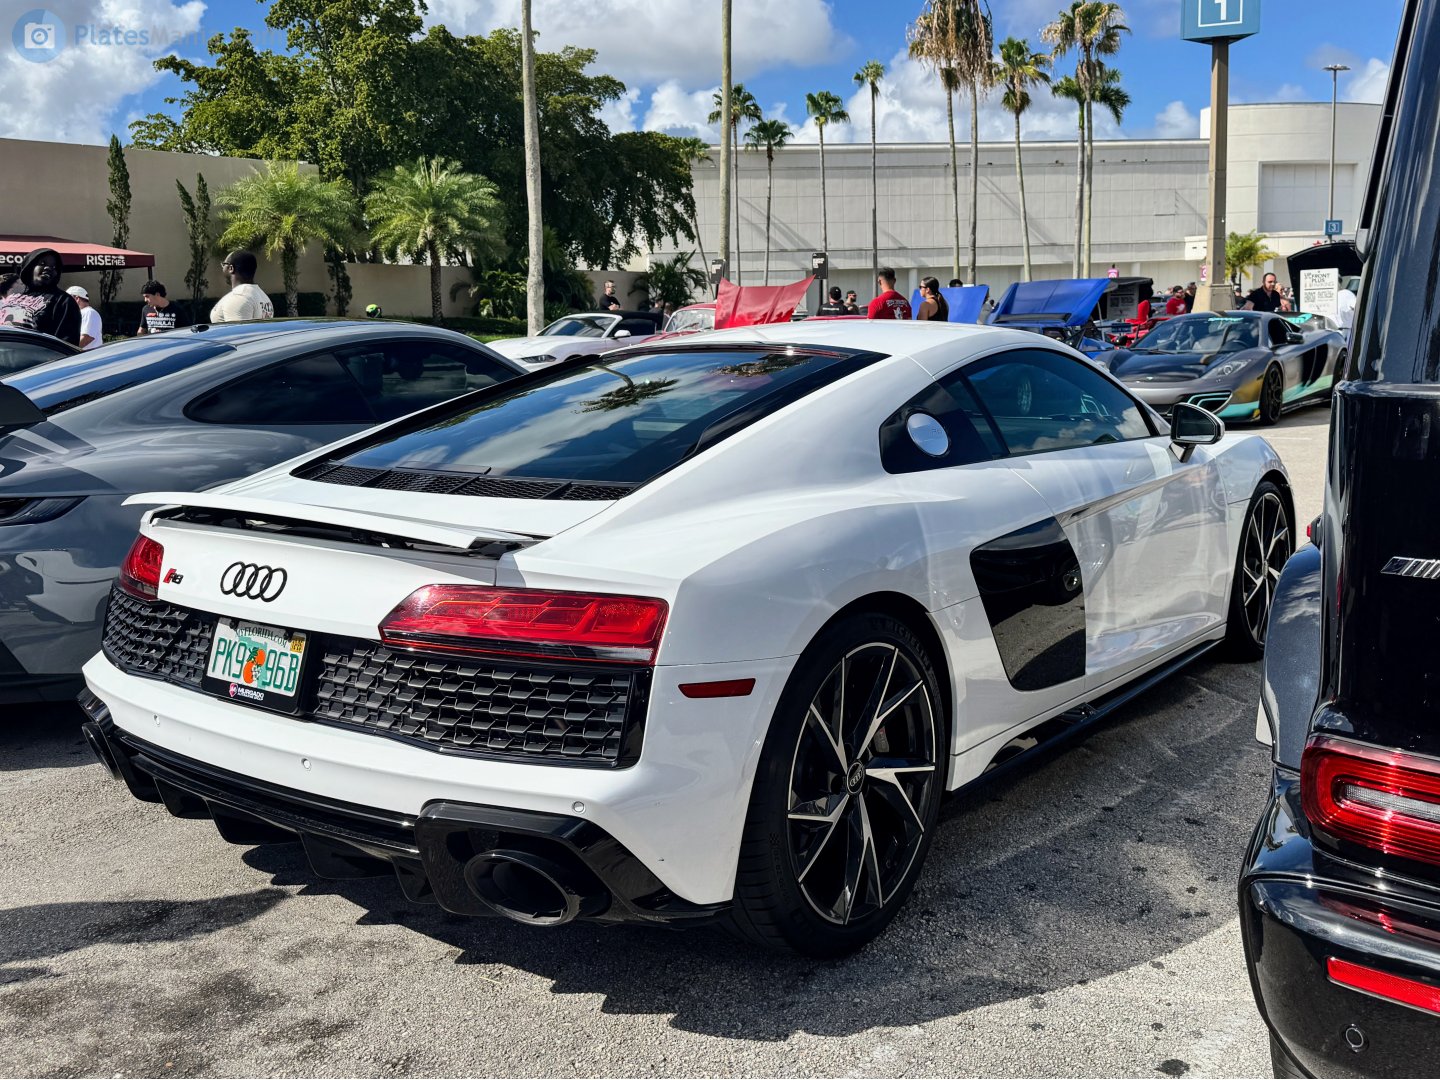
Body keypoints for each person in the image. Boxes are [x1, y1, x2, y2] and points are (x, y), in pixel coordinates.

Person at [0, 248, 80, 345]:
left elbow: (66, 343)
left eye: (54, 267)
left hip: (33, 358)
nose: (48, 268)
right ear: (30, 266)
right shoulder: (12, 293)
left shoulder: (63, 301)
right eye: (42, 263)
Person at [210, 251, 275, 323]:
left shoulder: (238, 297)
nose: (222, 268)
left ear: (231, 268)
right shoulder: (264, 297)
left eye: (224, 265)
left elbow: (237, 333)